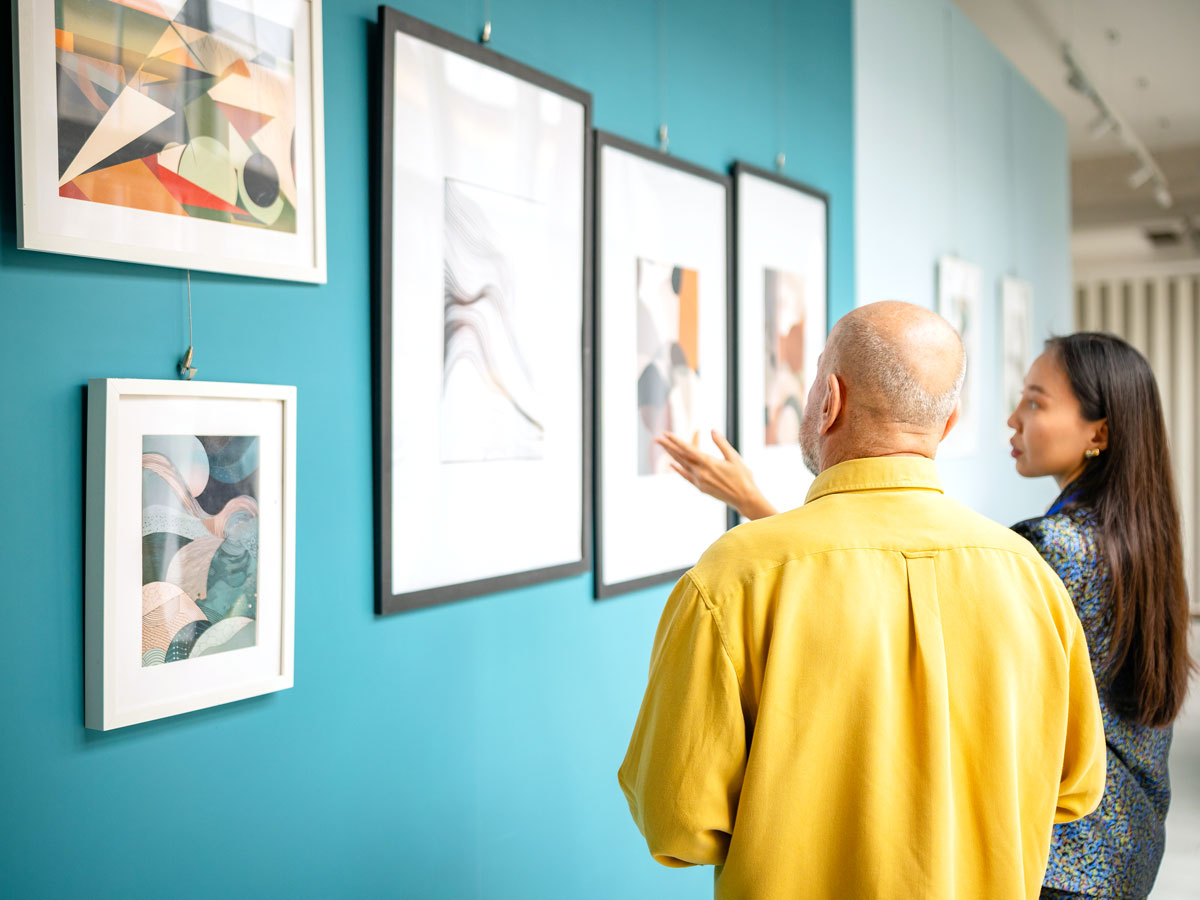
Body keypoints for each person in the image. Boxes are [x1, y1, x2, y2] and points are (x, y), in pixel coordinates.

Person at [655, 328, 1194, 900]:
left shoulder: (1050, 553)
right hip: (1127, 841)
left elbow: (893, 614)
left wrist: (763, 526)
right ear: (949, 420)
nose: (1013, 420)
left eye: (1036, 401)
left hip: (1061, 865)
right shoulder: (1125, 536)